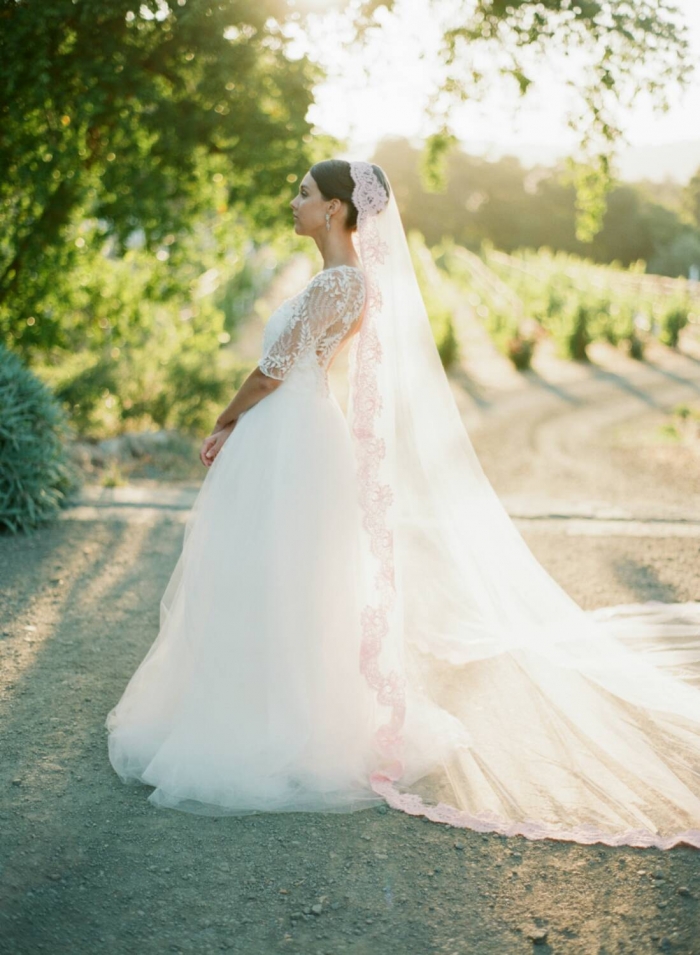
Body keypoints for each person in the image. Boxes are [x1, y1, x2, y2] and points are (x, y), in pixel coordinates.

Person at [106, 159, 700, 849]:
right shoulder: (337, 280)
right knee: (267, 575)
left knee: (278, 575)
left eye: (303, 193)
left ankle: (277, 725)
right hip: (290, 435)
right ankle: (243, 701)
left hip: (290, 439)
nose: (291, 201)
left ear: (334, 210)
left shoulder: (341, 283)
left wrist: (224, 418)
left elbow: (274, 370)